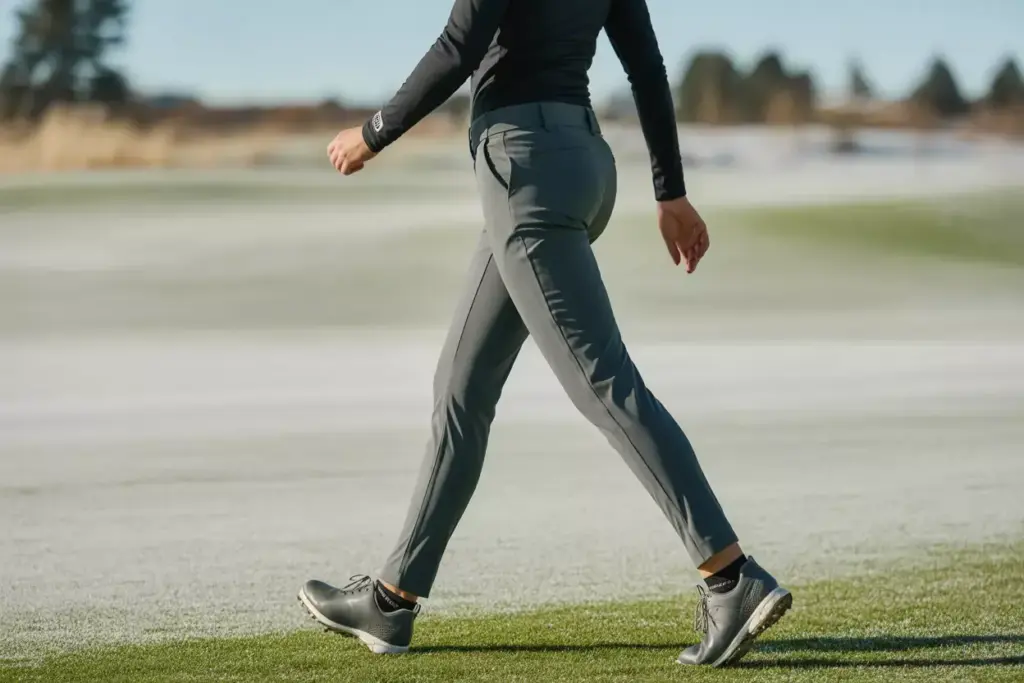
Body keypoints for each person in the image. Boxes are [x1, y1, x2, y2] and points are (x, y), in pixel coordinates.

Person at [298, 0, 792, 667]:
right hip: (580, 162)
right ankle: (391, 601)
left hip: (523, 171)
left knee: (603, 383)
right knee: (461, 386)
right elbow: (645, 64)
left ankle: (730, 576)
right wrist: (669, 191)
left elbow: (459, 44)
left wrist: (375, 131)